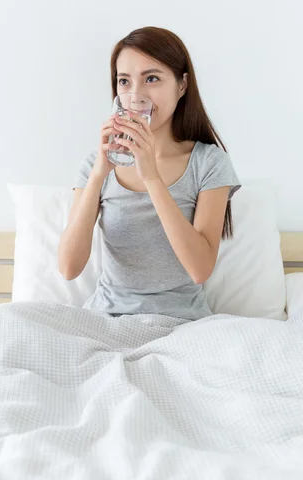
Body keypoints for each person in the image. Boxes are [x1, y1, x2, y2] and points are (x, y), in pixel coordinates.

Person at [58, 26, 241, 321]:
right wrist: (98, 175)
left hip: (182, 324)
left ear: (182, 85)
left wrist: (151, 177)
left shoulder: (209, 163)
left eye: (151, 79)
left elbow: (200, 269)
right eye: (124, 82)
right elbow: (68, 268)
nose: (135, 96)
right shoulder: (96, 164)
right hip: (107, 320)